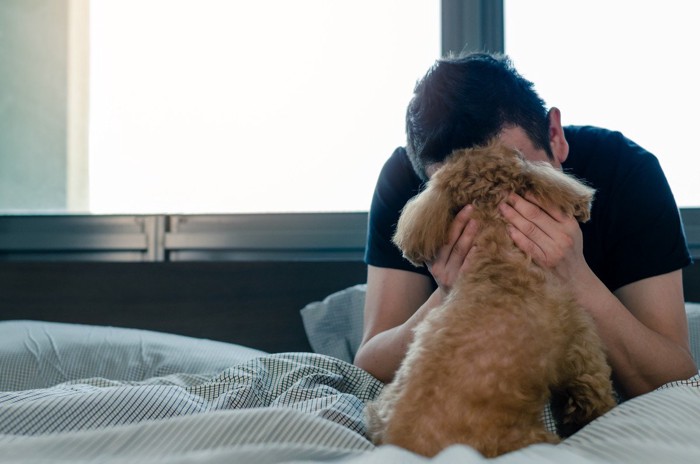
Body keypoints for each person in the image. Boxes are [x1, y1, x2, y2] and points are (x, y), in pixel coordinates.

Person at [353, 52, 697, 399]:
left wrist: (575, 277)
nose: (500, 208)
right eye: (462, 197)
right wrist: (446, 297)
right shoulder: (402, 183)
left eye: (520, 177)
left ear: (555, 135)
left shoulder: (627, 172)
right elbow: (370, 364)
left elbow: (676, 376)